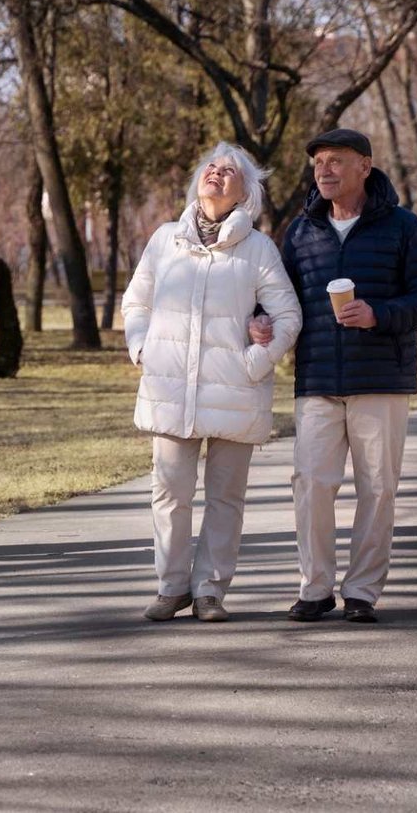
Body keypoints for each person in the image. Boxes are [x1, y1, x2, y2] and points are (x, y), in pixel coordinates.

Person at [250, 128, 417, 624]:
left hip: (381, 379)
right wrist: (262, 318)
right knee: (311, 483)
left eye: (336, 161)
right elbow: (278, 297)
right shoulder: (300, 231)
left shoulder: (403, 227)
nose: (325, 170)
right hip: (316, 379)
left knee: (377, 489)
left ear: (365, 165)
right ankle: (315, 588)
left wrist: (378, 314)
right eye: (318, 163)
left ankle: (362, 591)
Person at [122, 143, 302, 622]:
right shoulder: (165, 240)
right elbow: (136, 302)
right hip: (170, 389)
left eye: (230, 171)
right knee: (169, 493)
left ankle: (209, 592)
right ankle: (171, 587)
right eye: (212, 167)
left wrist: (257, 360)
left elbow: (287, 315)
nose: (217, 174)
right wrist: (143, 347)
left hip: (235, 389)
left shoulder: (259, 249)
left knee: (225, 498)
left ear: (246, 194)